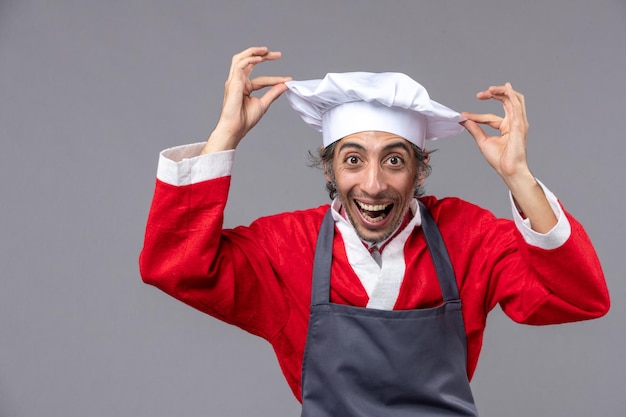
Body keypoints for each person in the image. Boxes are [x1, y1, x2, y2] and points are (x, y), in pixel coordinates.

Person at [139, 46, 610, 416]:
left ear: (419, 172)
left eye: (394, 160)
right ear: (329, 170)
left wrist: (518, 178)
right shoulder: (287, 248)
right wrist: (224, 138)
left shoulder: (467, 237)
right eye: (352, 160)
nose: (372, 184)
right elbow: (175, 266)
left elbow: (578, 295)